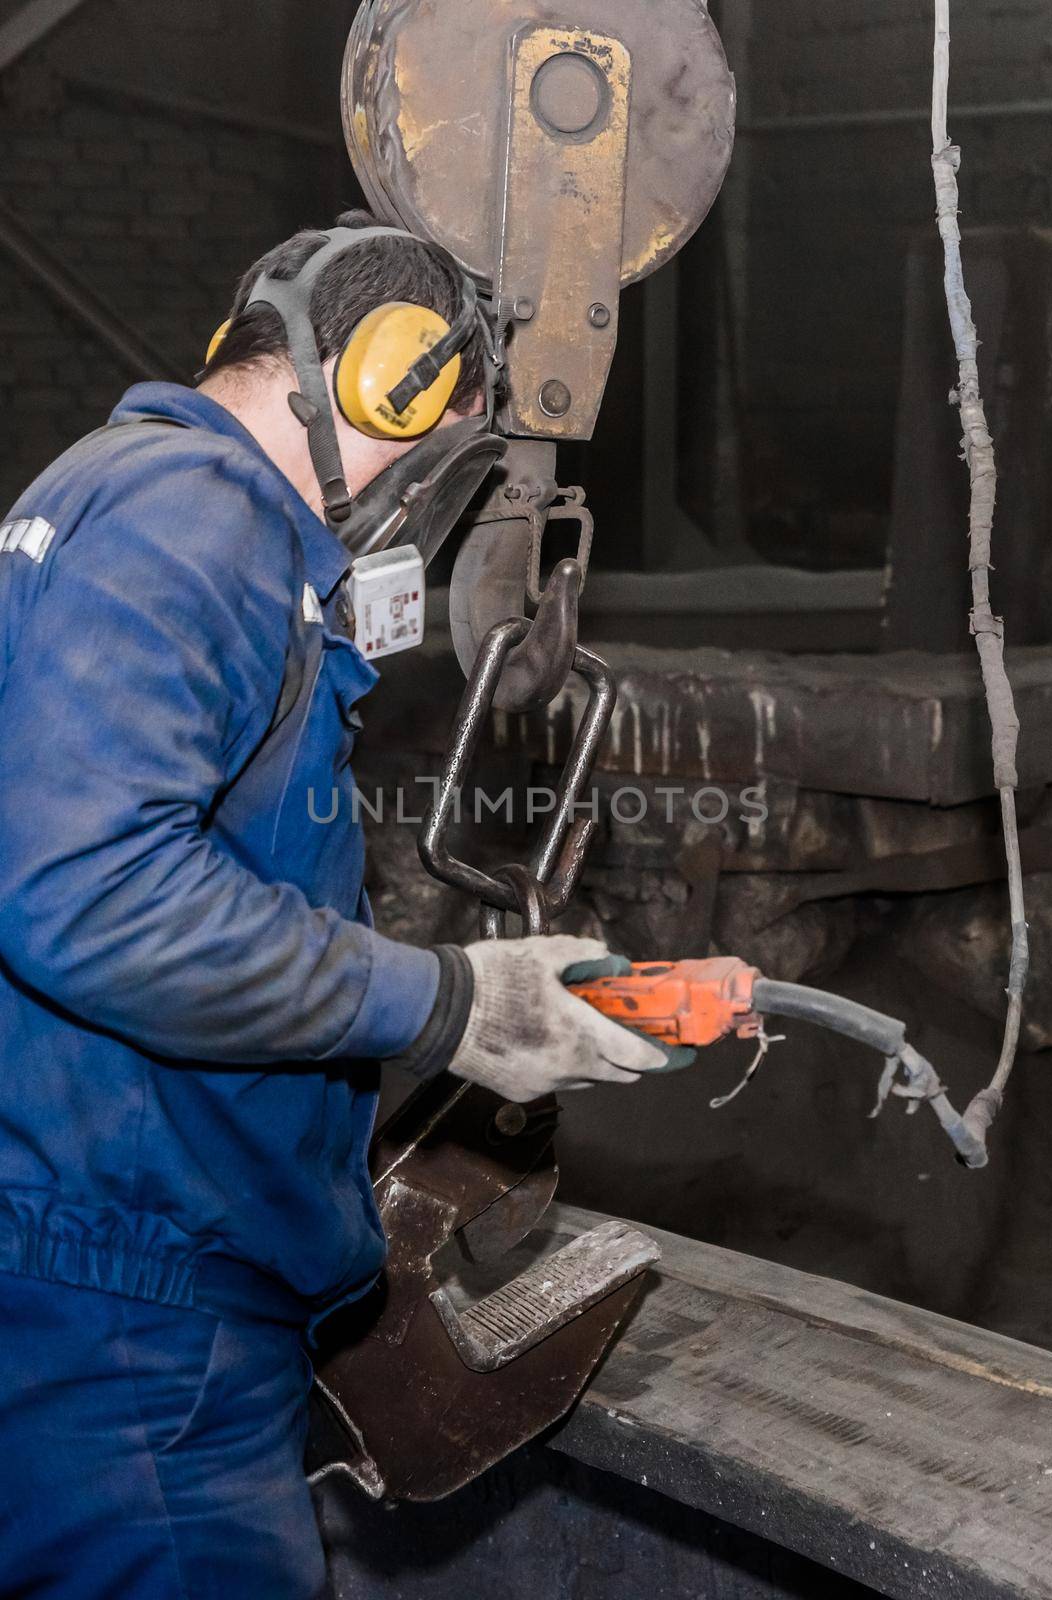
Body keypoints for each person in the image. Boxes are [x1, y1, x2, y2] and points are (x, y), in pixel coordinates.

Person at [0, 210, 665, 1599]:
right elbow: (89, 894)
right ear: (395, 383)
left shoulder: (111, 497)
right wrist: (454, 1005)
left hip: (94, 1258)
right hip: (130, 1301)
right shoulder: (204, 517)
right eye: (451, 447)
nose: (435, 498)